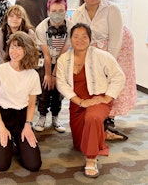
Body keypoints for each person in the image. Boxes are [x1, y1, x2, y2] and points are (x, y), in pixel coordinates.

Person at [56, 23, 125, 178]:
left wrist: (107, 97)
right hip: (78, 102)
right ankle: (102, 133)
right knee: (79, 143)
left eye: (84, 36)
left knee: (92, 119)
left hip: (98, 100)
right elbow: (61, 83)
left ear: (90, 39)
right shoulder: (64, 59)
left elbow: (119, 77)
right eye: (75, 36)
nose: (79, 40)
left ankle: (91, 159)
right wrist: (79, 101)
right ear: (70, 39)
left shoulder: (102, 55)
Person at [72, 0, 136, 139]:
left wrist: (109, 63)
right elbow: (79, 37)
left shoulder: (111, 9)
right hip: (95, 49)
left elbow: (116, 39)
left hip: (119, 48)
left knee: (113, 80)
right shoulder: (78, 12)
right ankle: (101, 118)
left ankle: (110, 120)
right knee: (95, 81)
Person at [0, 31, 42, 172]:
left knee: (34, 165)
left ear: (27, 50)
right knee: (1, 165)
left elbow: (31, 105)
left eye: (18, 47)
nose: (14, 51)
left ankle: (17, 142)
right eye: (12, 47)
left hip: (23, 118)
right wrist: (1, 127)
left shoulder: (33, 74)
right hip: (3, 117)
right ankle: (7, 141)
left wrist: (28, 125)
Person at [33, 0, 73, 133]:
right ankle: (42, 116)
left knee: (58, 91)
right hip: (45, 61)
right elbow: (47, 55)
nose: (57, 14)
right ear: (48, 11)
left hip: (62, 62)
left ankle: (55, 117)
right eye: (54, 10)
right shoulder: (41, 28)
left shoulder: (71, 27)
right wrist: (49, 75)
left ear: (66, 11)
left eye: (61, 10)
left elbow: (63, 54)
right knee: (44, 89)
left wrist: (55, 75)